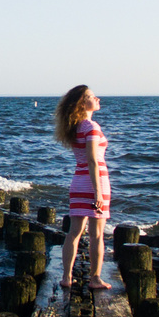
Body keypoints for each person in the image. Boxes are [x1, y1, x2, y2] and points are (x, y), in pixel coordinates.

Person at [54, 84, 111, 289]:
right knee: (97, 234)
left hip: (78, 182)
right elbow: (93, 160)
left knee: (74, 232)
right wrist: (97, 192)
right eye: (93, 97)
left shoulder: (76, 127)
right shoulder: (91, 127)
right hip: (95, 183)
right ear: (83, 102)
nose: (98, 99)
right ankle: (95, 278)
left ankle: (66, 277)